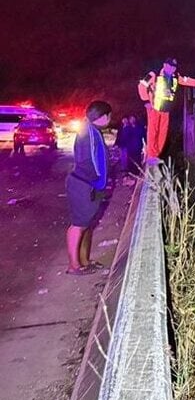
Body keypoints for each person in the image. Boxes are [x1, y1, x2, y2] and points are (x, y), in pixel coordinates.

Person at [65, 100, 112, 275]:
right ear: (103, 116)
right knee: (79, 224)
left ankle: (84, 261)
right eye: (109, 116)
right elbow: (90, 161)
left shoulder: (92, 131)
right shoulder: (89, 133)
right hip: (84, 185)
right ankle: (74, 265)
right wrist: (98, 182)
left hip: (89, 185)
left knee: (87, 224)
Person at [138, 58, 195, 165]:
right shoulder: (154, 74)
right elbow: (142, 85)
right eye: (170, 66)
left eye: (174, 67)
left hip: (166, 108)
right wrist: (145, 100)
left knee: (163, 132)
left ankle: (156, 154)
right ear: (164, 65)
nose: (172, 68)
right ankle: (151, 155)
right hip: (154, 107)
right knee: (153, 131)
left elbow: (188, 81)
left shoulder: (176, 76)